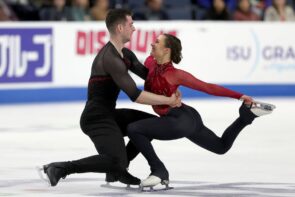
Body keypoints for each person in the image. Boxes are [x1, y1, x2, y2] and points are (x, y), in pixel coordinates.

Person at [39, 9, 181, 187]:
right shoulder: (110, 58)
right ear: (120, 28)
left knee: (150, 127)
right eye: (131, 25)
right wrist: (168, 101)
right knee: (115, 160)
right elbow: (135, 95)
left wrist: (170, 81)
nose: (134, 28)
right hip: (95, 118)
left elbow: (150, 78)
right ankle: (60, 168)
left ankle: (118, 172)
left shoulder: (126, 55)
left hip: (109, 114)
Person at [125, 33, 270, 187]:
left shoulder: (176, 75)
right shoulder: (150, 62)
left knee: (135, 129)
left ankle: (158, 171)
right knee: (221, 147)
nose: (152, 44)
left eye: (156, 42)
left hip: (179, 120)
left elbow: (208, 88)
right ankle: (246, 117)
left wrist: (240, 96)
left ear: (166, 50)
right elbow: (140, 70)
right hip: (187, 117)